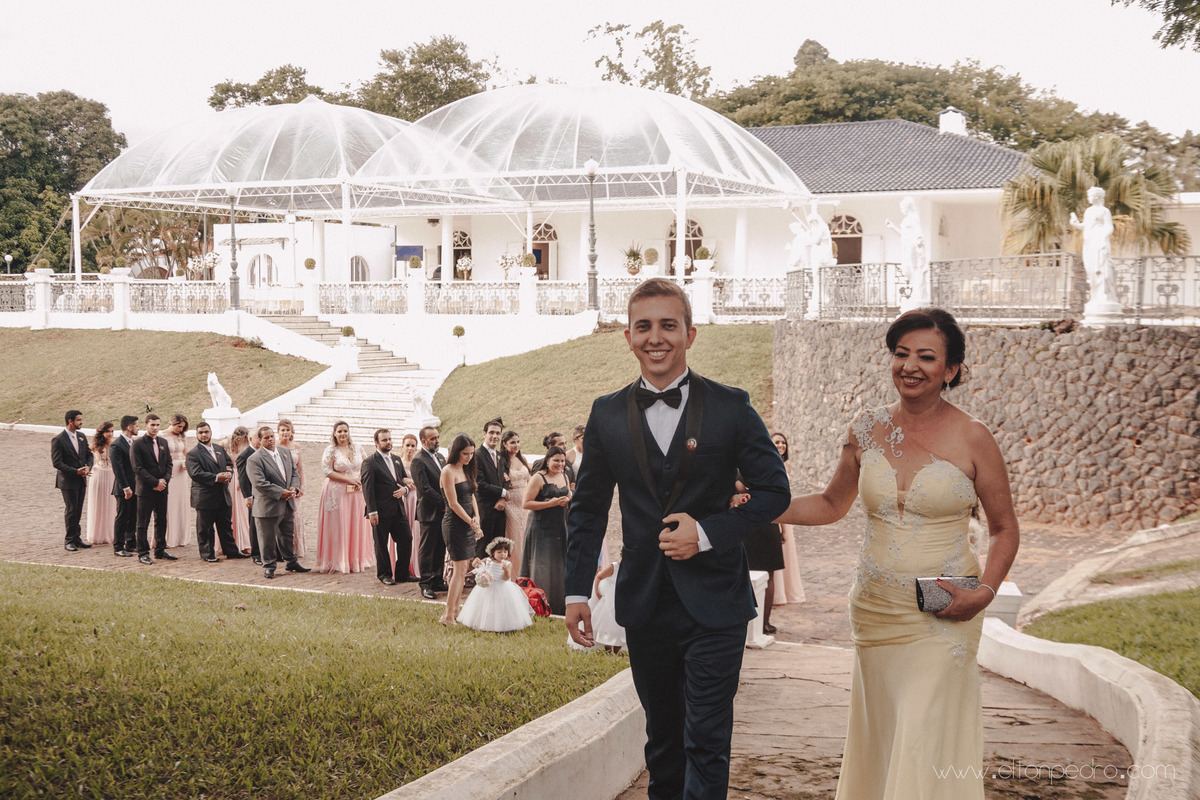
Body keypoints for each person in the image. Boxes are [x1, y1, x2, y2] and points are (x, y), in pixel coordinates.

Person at [776, 308, 1019, 800]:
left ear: (951, 369)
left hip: (945, 611)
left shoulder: (974, 436)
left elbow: (1004, 529)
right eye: (901, 353)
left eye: (926, 357)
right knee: (885, 735)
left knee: (924, 733)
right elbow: (831, 504)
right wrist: (759, 509)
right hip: (876, 610)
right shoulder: (865, 428)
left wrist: (985, 593)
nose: (910, 366)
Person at [563, 277, 790, 799]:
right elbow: (589, 508)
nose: (656, 337)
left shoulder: (731, 406)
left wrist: (706, 533)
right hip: (645, 602)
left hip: (716, 602)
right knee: (663, 741)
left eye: (668, 325)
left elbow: (774, 491)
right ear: (628, 337)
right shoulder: (605, 413)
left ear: (690, 333)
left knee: (706, 740)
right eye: (643, 326)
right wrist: (575, 592)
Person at [247, 426, 311, 580]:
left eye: (271, 436)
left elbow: (294, 472)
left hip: (288, 503)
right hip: (268, 505)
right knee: (267, 539)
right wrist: (281, 492)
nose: (270, 440)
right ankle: (269, 566)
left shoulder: (285, 452)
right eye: (266, 438)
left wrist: (294, 487)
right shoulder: (254, 459)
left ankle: (291, 562)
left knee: (287, 535)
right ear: (259, 440)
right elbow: (259, 483)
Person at [520, 445, 572, 615]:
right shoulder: (538, 478)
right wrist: (551, 503)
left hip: (560, 526)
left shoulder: (564, 475)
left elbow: (568, 495)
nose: (560, 464)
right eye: (556, 460)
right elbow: (526, 503)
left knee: (558, 565)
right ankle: (538, 604)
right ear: (548, 460)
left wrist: (569, 500)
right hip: (540, 528)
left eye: (562, 461)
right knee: (541, 566)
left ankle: (558, 605)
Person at [316, 421, 372, 574]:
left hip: (357, 492)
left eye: (345, 431)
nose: (342, 434)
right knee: (339, 524)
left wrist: (361, 479)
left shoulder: (358, 447)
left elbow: (367, 465)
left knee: (356, 522)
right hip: (337, 492)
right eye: (339, 431)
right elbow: (327, 470)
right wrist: (349, 479)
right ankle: (339, 560)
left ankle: (356, 559)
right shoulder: (330, 450)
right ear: (334, 433)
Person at [439, 432, 483, 626]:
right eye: (466, 453)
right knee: (458, 570)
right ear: (457, 452)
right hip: (454, 524)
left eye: (472, 453)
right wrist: (471, 522)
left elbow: (471, 495)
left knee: (464, 568)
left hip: (468, 522)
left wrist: (477, 517)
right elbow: (453, 503)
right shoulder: (447, 471)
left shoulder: (466, 469)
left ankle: (455, 609)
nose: (469, 457)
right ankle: (448, 615)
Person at [362, 428, 414, 586]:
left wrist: (405, 490)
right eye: (384, 440)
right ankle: (384, 574)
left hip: (398, 509)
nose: (388, 442)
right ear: (376, 443)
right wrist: (372, 511)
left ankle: (402, 574)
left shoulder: (397, 459)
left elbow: (403, 479)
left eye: (390, 439)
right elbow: (368, 489)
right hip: (380, 511)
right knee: (381, 544)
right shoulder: (370, 462)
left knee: (406, 539)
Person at [186, 421, 241, 563]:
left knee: (226, 526)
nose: (204, 435)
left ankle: (232, 552)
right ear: (197, 434)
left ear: (211, 432)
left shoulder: (219, 448)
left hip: (222, 495)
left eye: (206, 432)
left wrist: (229, 473)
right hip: (205, 497)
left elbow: (229, 464)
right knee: (205, 528)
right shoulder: (193, 454)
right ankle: (207, 554)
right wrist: (217, 477)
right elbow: (196, 473)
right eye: (201, 433)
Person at [738, 476, 785, 635]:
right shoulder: (771, 470)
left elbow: (738, 487)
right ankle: (765, 622)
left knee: (746, 573)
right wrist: (783, 530)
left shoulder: (738, 470)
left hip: (747, 523)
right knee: (769, 575)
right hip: (769, 522)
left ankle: (749, 623)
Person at [457, 537, 534, 632]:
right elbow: (476, 565)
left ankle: (504, 624)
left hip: (503, 587)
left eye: (505, 552)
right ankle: (486, 624)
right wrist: (476, 562)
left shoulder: (508, 564)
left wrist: (505, 570)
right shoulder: (488, 560)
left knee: (502, 607)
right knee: (486, 606)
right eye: (499, 552)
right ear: (492, 552)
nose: (502, 554)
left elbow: (506, 578)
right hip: (488, 587)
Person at [131, 413, 173, 565]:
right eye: (152, 425)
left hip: (162, 488)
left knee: (161, 520)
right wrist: (154, 482)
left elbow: (169, 464)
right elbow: (138, 468)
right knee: (143, 522)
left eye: (157, 425)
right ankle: (143, 552)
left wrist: (164, 480)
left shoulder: (163, 442)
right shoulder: (138, 444)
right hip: (146, 489)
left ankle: (160, 550)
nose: (155, 428)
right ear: (146, 425)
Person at [412, 426, 448, 600]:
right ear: (423, 441)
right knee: (427, 548)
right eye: (432, 438)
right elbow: (424, 488)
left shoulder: (440, 457)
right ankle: (425, 583)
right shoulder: (418, 460)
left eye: (437, 437)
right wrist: (444, 503)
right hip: (429, 511)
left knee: (440, 546)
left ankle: (438, 579)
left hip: (444, 511)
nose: (437, 441)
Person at [771, 432, 806, 607]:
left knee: (787, 553)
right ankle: (778, 594)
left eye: (783, 442)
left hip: (786, 511)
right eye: (776, 442)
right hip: (779, 512)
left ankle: (786, 592)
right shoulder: (772, 465)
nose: (781, 445)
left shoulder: (786, 465)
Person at [51, 409, 93, 552]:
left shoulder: (81, 436)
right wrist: (75, 471)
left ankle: (77, 538)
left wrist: (88, 467)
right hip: (68, 481)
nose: (81, 422)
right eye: (79, 420)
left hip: (81, 480)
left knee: (78, 509)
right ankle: (69, 540)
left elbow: (89, 454)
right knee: (71, 509)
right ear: (70, 421)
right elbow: (57, 462)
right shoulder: (58, 439)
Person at [1070, 186, 1118, 307]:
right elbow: (1085, 225)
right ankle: (1096, 296)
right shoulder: (1088, 211)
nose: (1088, 198)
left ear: (1097, 197)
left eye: (1090, 196)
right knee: (1091, 271)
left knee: (1103, 269)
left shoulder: (1104, 211)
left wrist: (1103, 237)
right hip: (1089, 243)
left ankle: (1105, 295)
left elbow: (1109, 227)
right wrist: (1075, 224)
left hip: (1100, 242)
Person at [475, 417, 510, 558]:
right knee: (483, 548)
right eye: (491, 432)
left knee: (498, 548)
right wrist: (502, 492)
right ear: (484, 433)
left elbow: (506, 478)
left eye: (498, 433)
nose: (495, 436)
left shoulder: (500, 456)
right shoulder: (477, 455)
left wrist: (503, 498)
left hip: (500, 509)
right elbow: (480, 484)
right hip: (485, 509)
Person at [500, 430, 531, 577]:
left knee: (525, 537)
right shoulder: (502, 461)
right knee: (515, 539)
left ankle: (526, 573)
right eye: (512, 442)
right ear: (505, 444)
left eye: (518, 442)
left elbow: (529, 480)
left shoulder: (522, 459)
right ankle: (514, 575)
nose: (516, 445)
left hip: (525, 505)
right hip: (511, 504)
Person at [109, 415, 139, 558]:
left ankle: (131, 543)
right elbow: (118, 469)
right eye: (136, 425)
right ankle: (118, 546)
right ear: (129, 427)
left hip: (136, 486)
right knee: (122, 516)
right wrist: (125, 487)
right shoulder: (116, 445)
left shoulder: (134, 443)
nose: (138, 428)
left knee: (133, 516)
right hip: (124, 488)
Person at [276, 419, 307, 559]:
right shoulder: (274, 446)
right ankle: (280, 549)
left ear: (291, 431)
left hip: (294, 486)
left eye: (287, 430)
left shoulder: (296, 447)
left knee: (295, 516)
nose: (285, 433)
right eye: (282, 430)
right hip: (280, 486)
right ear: (278, 432)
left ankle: (295, 548)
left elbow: (300, 468)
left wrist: (300, 486)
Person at [83, 421, 115, 547]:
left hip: (111, 475)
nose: (110, 434)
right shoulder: (95, 445)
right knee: (98, 502)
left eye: (112, 431)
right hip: (98, 475)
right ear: (102, 432)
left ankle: (109, 533)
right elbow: (85, 455)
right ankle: (96, 534)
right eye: (107, 431)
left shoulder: (114, 444)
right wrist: (87, 466)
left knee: (111, 504)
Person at [161, 413, 190, 550]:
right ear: (172, 424)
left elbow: (186, 453)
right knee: (169, 503)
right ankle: (168, 536)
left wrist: (186, 462)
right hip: (169, 470)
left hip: (181, 471)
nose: (180, 429)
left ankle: (180, 536)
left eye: (182, 427)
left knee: (180, 502)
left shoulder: (182, 436)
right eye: (178, 426)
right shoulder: (162, 436)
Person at [228, 426, 256, 558]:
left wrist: (242, 480)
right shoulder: (226, 445)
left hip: (242, 478)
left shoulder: (247, 449)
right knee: (232, 510)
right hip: (231, 480)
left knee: (243, 512)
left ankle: (245, 542)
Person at [397, 433, 421, 580]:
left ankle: (415, 565)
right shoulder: (398, 462)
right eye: (408, 445)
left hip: (416, 499)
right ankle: (401, 566)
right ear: (402, 446)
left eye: (413, 446)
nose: (410, 448)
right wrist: (403, 481)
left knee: (416, 532)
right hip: (402, 500)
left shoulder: (418, 463)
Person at [589, 558, 625, 653]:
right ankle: (608, 649)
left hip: (621, 598)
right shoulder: (614, 566)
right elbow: (599, 577)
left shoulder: (628, 567)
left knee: (619, 628)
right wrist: (597, 592)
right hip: (610, 598)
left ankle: (617, 649)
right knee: (608, 624)